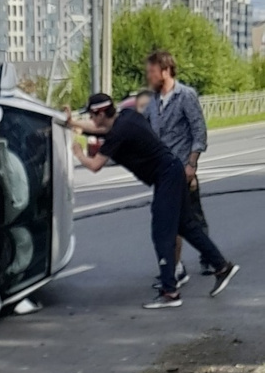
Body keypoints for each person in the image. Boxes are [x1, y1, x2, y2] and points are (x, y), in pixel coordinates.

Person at [67, 93, 238, 309]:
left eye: (91, 114)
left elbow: (94, 165)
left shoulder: (118, 132)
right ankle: (222, 267)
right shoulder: (126, 117)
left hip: (166, 177)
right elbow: (101, 129)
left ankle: (170, 292)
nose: (91, 119)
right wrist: (72, 123)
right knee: (187, 226)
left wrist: (79, 154)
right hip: (171, 171)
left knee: (162, 233)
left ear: (100, 113)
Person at [144, 50, 210, 284]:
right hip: (164, 171)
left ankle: (198, 262)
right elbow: (148, 132)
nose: (148, 77)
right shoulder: (153, 101)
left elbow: (199, 131)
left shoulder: (185, 96)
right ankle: (182, 266)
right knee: (179, 221)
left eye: (152, 72)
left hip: (182, 168)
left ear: (166, 71)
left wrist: (191, 164)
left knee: (189, 219)